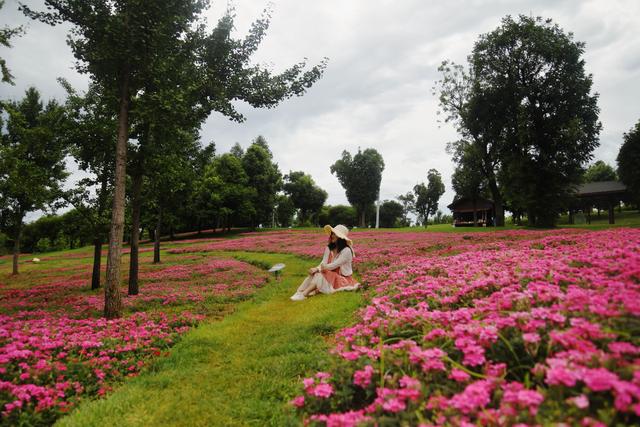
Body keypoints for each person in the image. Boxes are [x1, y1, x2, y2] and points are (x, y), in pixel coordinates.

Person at [290, 224, 359, 301]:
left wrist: (318, 269)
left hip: (342, 279)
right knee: (315, 274)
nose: (332, 236)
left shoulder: (347, 251)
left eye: (335, 234)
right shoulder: (329, 248)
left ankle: (304, 294)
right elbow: (323, 262)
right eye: (332, 233)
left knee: (320, 273)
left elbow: (334, 265)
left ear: (340, 237)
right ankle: (299, 292)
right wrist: (316, 269)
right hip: (330, 276)